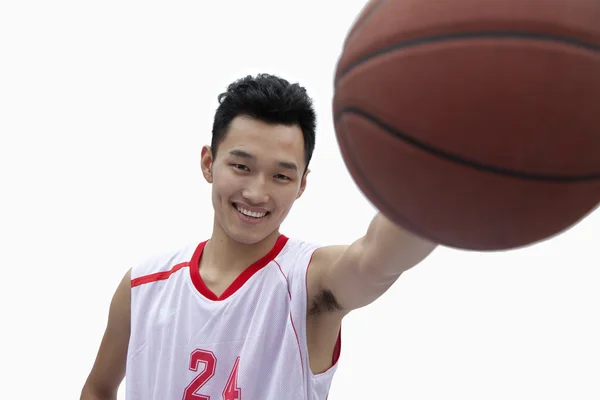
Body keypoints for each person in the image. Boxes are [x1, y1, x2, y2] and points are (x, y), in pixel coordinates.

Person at [80, 73, 437, 400]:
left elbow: (376, 258)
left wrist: (445, 183)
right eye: (241, 167)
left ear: (302, 185)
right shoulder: (144, 285)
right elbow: (98, 388)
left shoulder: (309, 283)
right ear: (208, 163)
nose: (256, 192)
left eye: (281, 176)